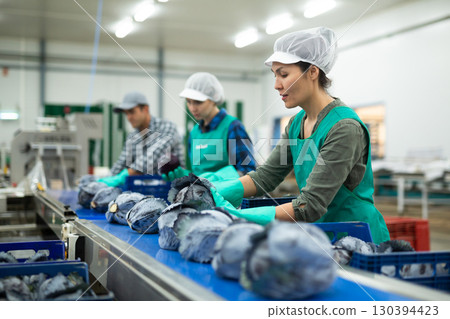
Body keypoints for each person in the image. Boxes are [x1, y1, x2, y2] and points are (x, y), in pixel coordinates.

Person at [211, 27, 390, 244]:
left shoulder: (344, 128)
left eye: (284, 74)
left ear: (313, 72)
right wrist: (215, 189)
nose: (277, 85)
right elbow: (266, 176)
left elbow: (310, 204)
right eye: (275, 75)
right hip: (323, 234)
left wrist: (245, 217)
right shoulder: (297, 124)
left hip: (357, 238)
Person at [163, 72, 256, 181]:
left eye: (198, 102)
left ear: (213, 99)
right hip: (200, 195)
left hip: (227, 197)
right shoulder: (194, 133)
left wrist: (217, 180)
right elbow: (198, 172)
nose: (192, 108)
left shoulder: (233, 127)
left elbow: (248, 171)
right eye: (189, 102)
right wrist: (188, 177)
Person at [99, 91, 184, 187]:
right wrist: (106, 180)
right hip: (145, 190)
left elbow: (154, 154)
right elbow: (121, 163)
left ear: (145, 109)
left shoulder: (167, 127)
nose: (129, 117)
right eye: (126, 113)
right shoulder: (132, 137)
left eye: (131, 112)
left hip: (173, 189)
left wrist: (125, 175)